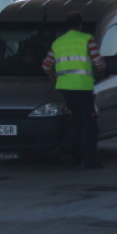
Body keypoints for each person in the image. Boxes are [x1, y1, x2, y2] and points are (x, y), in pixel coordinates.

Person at [42, 11, 106, 169]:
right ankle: (87, 159)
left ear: (67, 26)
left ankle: (68, 150)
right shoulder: (87, 39)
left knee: (77, 120)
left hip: (65, 88)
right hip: (83, 86)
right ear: (80, 25)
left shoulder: (58, 42)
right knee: (89, 123)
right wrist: (101, 72)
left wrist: (53, 75)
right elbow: (99, 63)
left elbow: (46, 66)